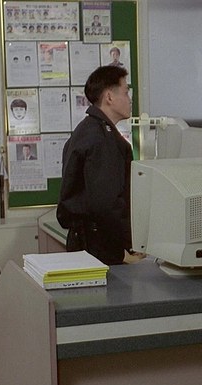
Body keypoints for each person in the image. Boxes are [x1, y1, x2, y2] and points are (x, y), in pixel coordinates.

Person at [57, 65, 135, 265]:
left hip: (87, 241)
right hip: (101, 246)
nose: (130, 99)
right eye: (126, 92)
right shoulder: (102, 139)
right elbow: (106, 204)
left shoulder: (86, 129)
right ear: (109, 97)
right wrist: (125, 249)